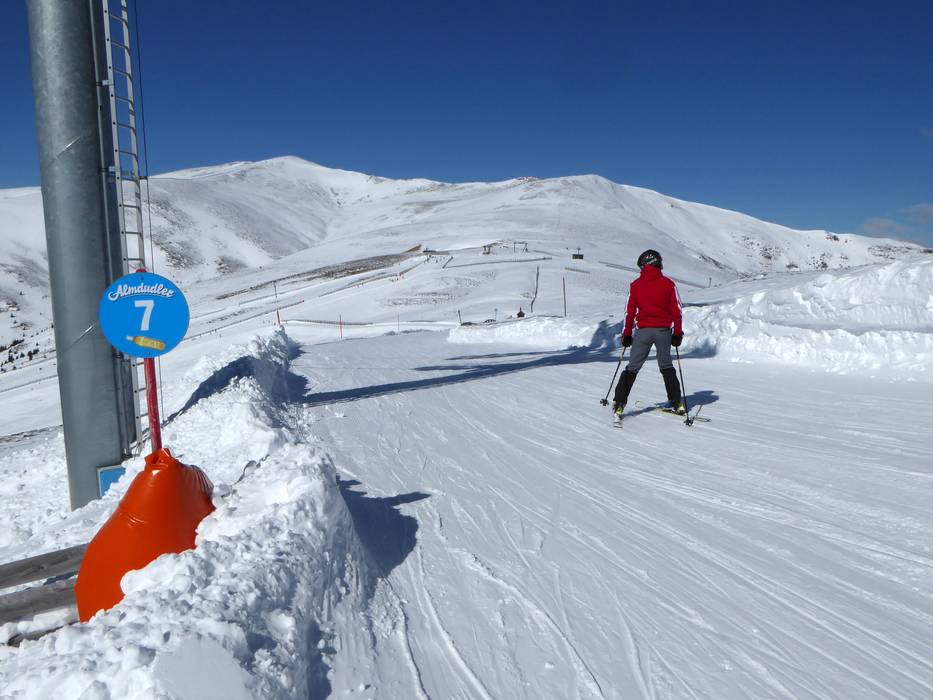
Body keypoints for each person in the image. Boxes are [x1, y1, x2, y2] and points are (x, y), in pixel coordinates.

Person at [612, 249, 685, 423]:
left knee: (632, 367)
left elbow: (629, 313)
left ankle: (619, 403)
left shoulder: (635, 285)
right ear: (657, 263)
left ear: (643, 265)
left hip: (643, 332)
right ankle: (677, 403)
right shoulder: (668, 284)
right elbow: (677, 311)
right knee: (666, 366)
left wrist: (627, 334)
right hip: (663, 331)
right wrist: (677, 333)